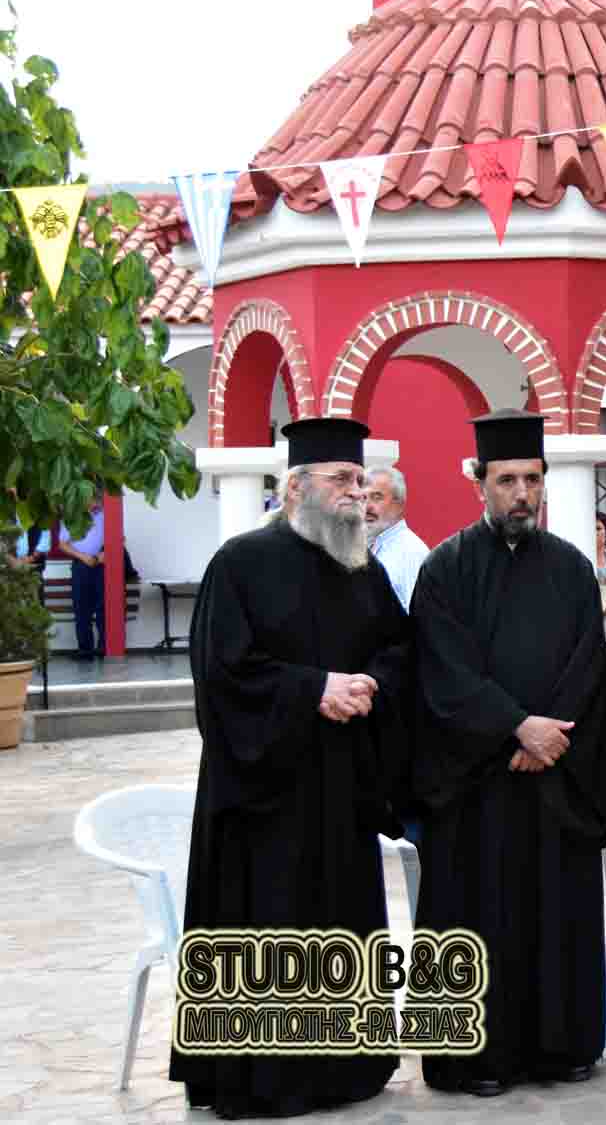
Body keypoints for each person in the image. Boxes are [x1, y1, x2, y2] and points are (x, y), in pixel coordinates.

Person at [172, 418, 411, 1119]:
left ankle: (346, 1069)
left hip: (340, 789)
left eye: (360, 480)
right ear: (296, 488)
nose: (356, 493)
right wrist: (315, 690)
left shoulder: (362, 569)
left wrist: (370, 684)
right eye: (341, 479)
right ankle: (261, 1078)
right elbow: (223, 673)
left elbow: (400, 648)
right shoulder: (240, 563)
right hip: (263, 797)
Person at [408, 409, 606, 1097]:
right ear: (480, 484)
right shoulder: (445, 570)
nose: (522, 493)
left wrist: (546, 737)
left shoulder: (572, 570)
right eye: (506, 480)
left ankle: (563, 1048)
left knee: (555, 918)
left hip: (555, 782)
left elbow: (587, 668)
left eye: (532, 479)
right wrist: (516, 728)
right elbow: (443, 674)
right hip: (477, 790)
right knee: (477, 917)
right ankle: (473, 1059)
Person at [365, 466, 429, 612]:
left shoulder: (410, 552)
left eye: (376, 497)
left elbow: (421, 616)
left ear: (399, 504)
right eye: (363, 498)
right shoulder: (370, 546)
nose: (367, 507)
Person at [57, 501, 106, 659]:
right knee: (82, 609)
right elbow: (62, 544)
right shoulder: (71, 515)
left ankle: (104, 648)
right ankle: (85, 650)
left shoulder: (106, 514)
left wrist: (104, 554)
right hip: (81, 565)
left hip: (103, 565)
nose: (94, 500)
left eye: (96, 496)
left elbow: (120, 538)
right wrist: (83, 557)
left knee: (104, 608)